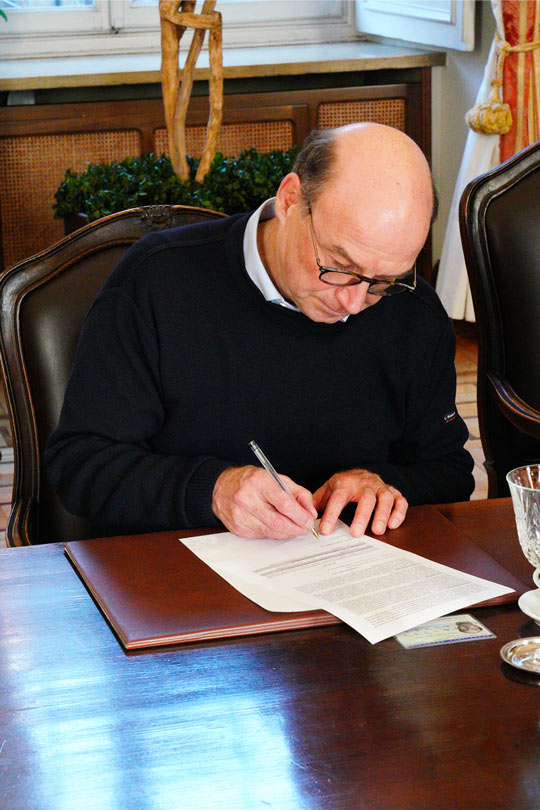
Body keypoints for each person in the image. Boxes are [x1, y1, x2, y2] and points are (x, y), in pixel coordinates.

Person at [45, 123, 474, 541]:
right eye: (338, 266)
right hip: (177, 585)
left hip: (348, 584)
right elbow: (81, 465)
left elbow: (448, 472)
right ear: (290, 199)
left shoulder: (413, 312)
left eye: (384, 280)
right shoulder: (158, 282)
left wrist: (385, 485)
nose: (353, 302)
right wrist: (213, 490)